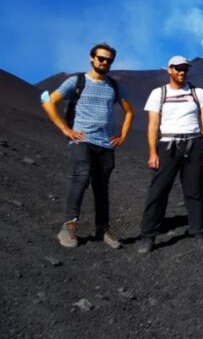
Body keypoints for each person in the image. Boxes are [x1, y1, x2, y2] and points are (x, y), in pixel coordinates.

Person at [41, 42, 134, 249]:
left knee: (102, 187)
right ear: (92, 58)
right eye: (101, 58)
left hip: (106, 144)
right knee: (81, 177)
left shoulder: (114, 85)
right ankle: (69, 226)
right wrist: (65, 129)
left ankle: (103, 229)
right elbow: (48, 101)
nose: (105, 62)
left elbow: (129, 112)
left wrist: (123, 135)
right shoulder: (76, 81)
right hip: (81, 140)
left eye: (109, 60)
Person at [137, 56, 203, 253]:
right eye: (178, 68)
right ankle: (148, 236)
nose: (182, 72)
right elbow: (153, 125)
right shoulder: (158, 93)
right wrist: (153, 151)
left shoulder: (198, 92)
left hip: (194, 144)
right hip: (168, 146)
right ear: (169, 70)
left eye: (185, 69)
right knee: (158, 190)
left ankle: (199, 233)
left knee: (195, 191)